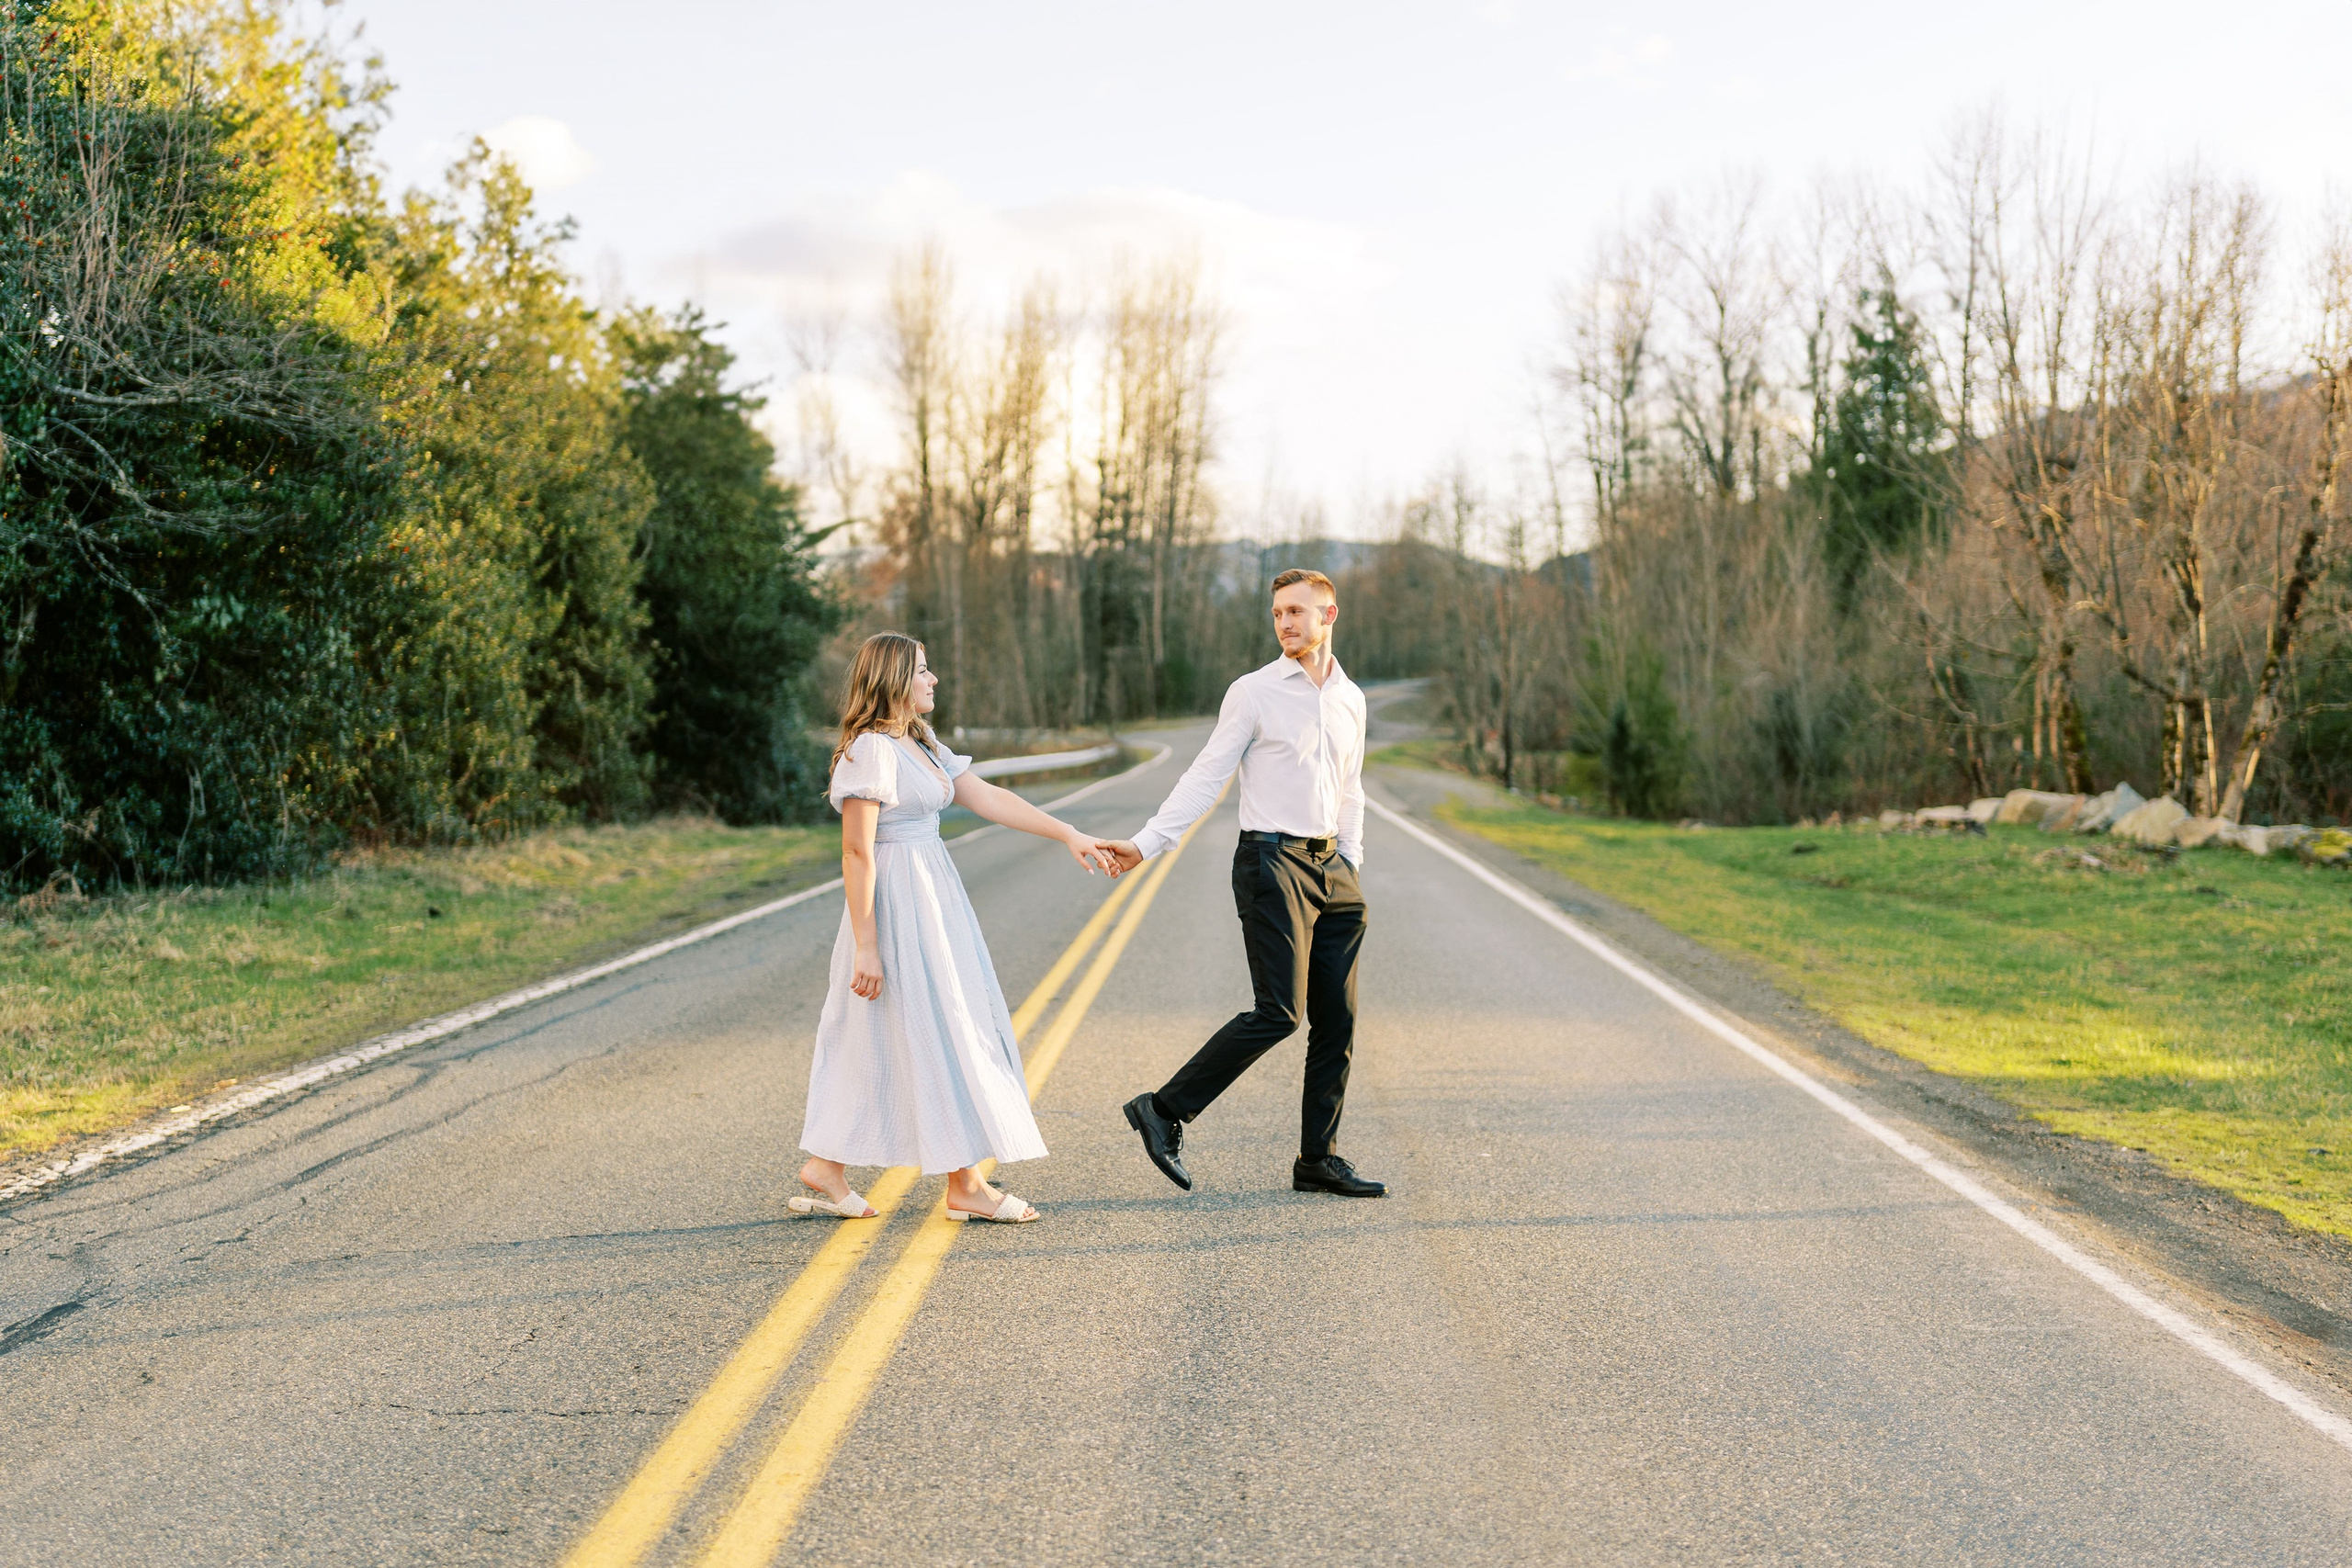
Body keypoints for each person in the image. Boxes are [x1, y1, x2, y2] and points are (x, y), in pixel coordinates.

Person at [795, 632, 1124, 1224]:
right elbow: (856, 853)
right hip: (894, 905)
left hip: (933, 899)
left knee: (901, 1030)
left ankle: (829, 1164)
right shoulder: (871, 751)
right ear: (895, 679)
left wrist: (1068, 834)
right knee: (939, 1028)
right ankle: (963, 1183)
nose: (933, 679)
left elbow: (989, 797)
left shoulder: (919, 742)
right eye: (922, 670)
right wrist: (866, 947)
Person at [1105, 569, 1385, 1198]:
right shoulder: (1254, 692)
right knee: (1279, 1011)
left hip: (1334, 868)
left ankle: (1319, 1158)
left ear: (1329, 615)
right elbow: (1208, 775)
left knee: (1337, 1019)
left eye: (1297, 611)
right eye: (1278, 612)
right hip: (1271, 861)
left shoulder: (1352, 699)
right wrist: (1148, 843)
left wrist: (1352, 864)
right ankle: (1164, 1108)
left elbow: (1351, 787)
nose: (1286, 622)